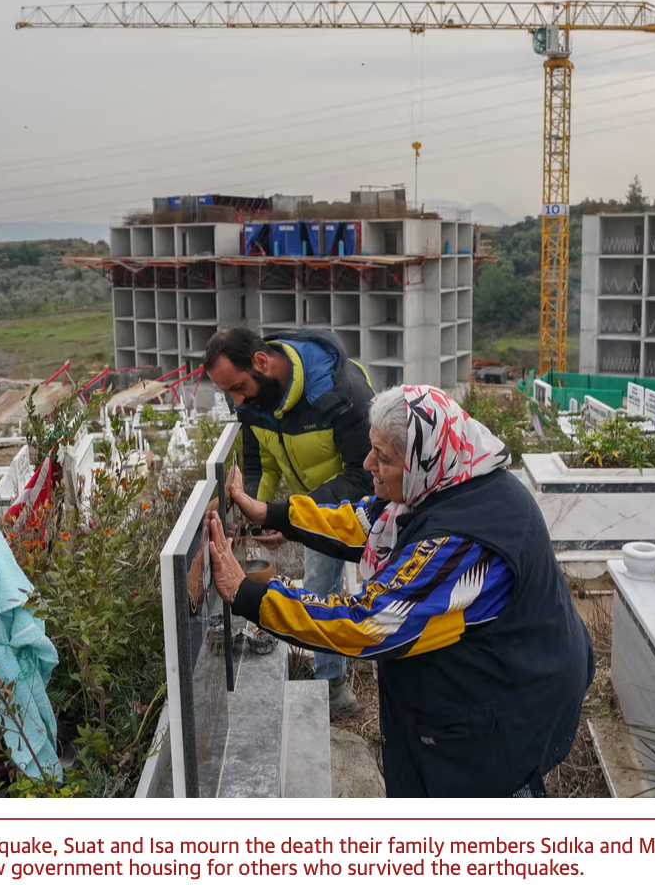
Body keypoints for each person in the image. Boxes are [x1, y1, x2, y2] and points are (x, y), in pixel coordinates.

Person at [206, 384, 594, 797]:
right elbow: (363, 523)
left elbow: (369, 622)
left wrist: (247, 594)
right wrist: (271, 514)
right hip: (468, 688)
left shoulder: (468, 541)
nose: (368, 462)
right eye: (372, 449)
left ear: (423, 460)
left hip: (494, 724)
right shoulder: (448, 479)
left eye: (384, 457)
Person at [202, 326, 375, 713]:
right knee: (320, 585)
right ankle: (333, 686)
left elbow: (364, 478)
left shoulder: (338, 393)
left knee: (374, 589)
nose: (234, 401)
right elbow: (258, 465)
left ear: (261, 363)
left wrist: (292, 518)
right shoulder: (253, 399)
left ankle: (352, 683)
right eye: (226, 392)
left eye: (236, 387)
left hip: (365, 506)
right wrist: (253, 513)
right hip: (313, 501)